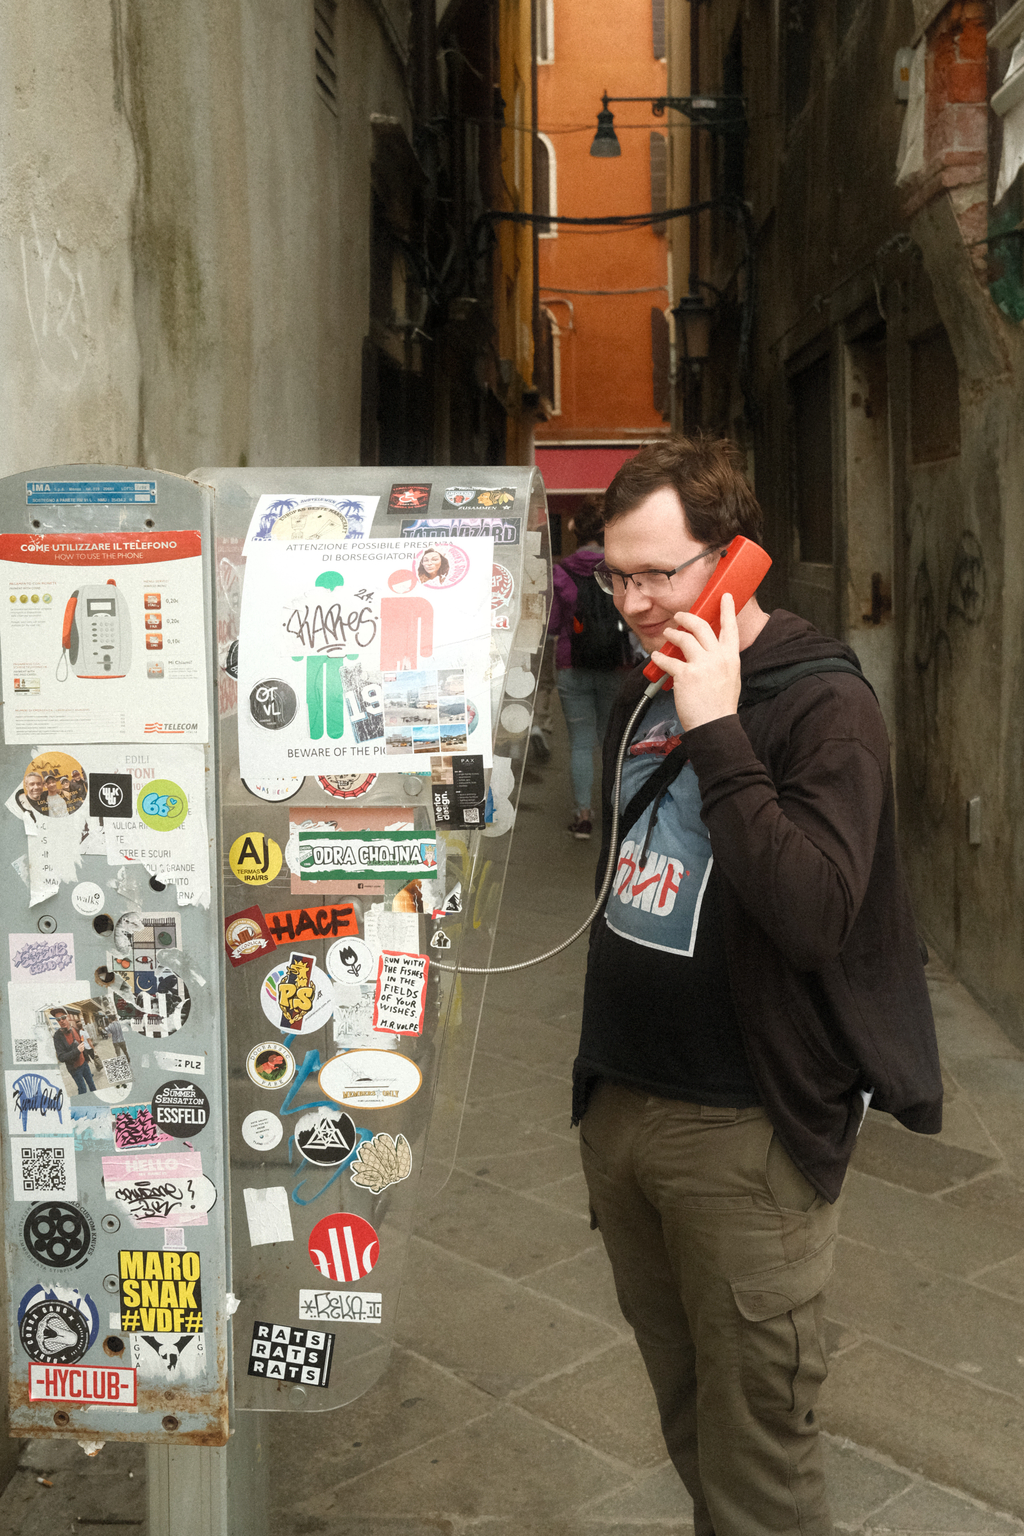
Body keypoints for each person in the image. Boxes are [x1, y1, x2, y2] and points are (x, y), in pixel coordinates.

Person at [573, 436, 942, 1536]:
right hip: (624, 1106)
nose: (632, 600)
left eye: (658, 573)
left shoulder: (822, 708)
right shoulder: (650, 687)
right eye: (614, 573)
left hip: (745, 1131)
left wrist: (719, 727)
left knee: (762, 1463)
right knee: (691, 1424)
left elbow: (814, 913)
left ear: (733, 562)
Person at [548, 497, 633, 839]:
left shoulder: (561, 572)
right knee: (614, 740)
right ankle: (618, 813)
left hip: (573, 666)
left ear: (577, 532)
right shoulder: (621, 569)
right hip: (616, 664)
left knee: (581, 743)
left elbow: (553, 625)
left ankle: (583, 816)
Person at [51, 1007, 96, 1095]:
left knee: (92, 1084)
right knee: (83, 1090)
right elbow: (61, 1057)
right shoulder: (57, 1036)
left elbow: (82, 1043)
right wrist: (77, 1051)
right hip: (75, 1069)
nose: (61, 1021)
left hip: (84, 1064)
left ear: (67, 1017)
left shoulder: (75, 1029)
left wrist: (86, 1058)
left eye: (63, 1017)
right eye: (58, 1019)